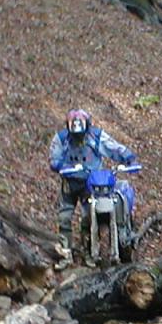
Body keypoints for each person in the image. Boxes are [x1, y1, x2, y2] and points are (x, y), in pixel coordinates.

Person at [49, 109, 138, 254]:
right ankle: (65, 251)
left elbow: (113, 147)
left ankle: (88, 250)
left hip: (91, 184)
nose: (78, 135)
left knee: (89, 217)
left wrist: (129, 158)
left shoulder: (96, 137)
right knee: (64, 217)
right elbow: (54, 159)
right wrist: (63, 166)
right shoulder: (61, 139)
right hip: (69, 183)